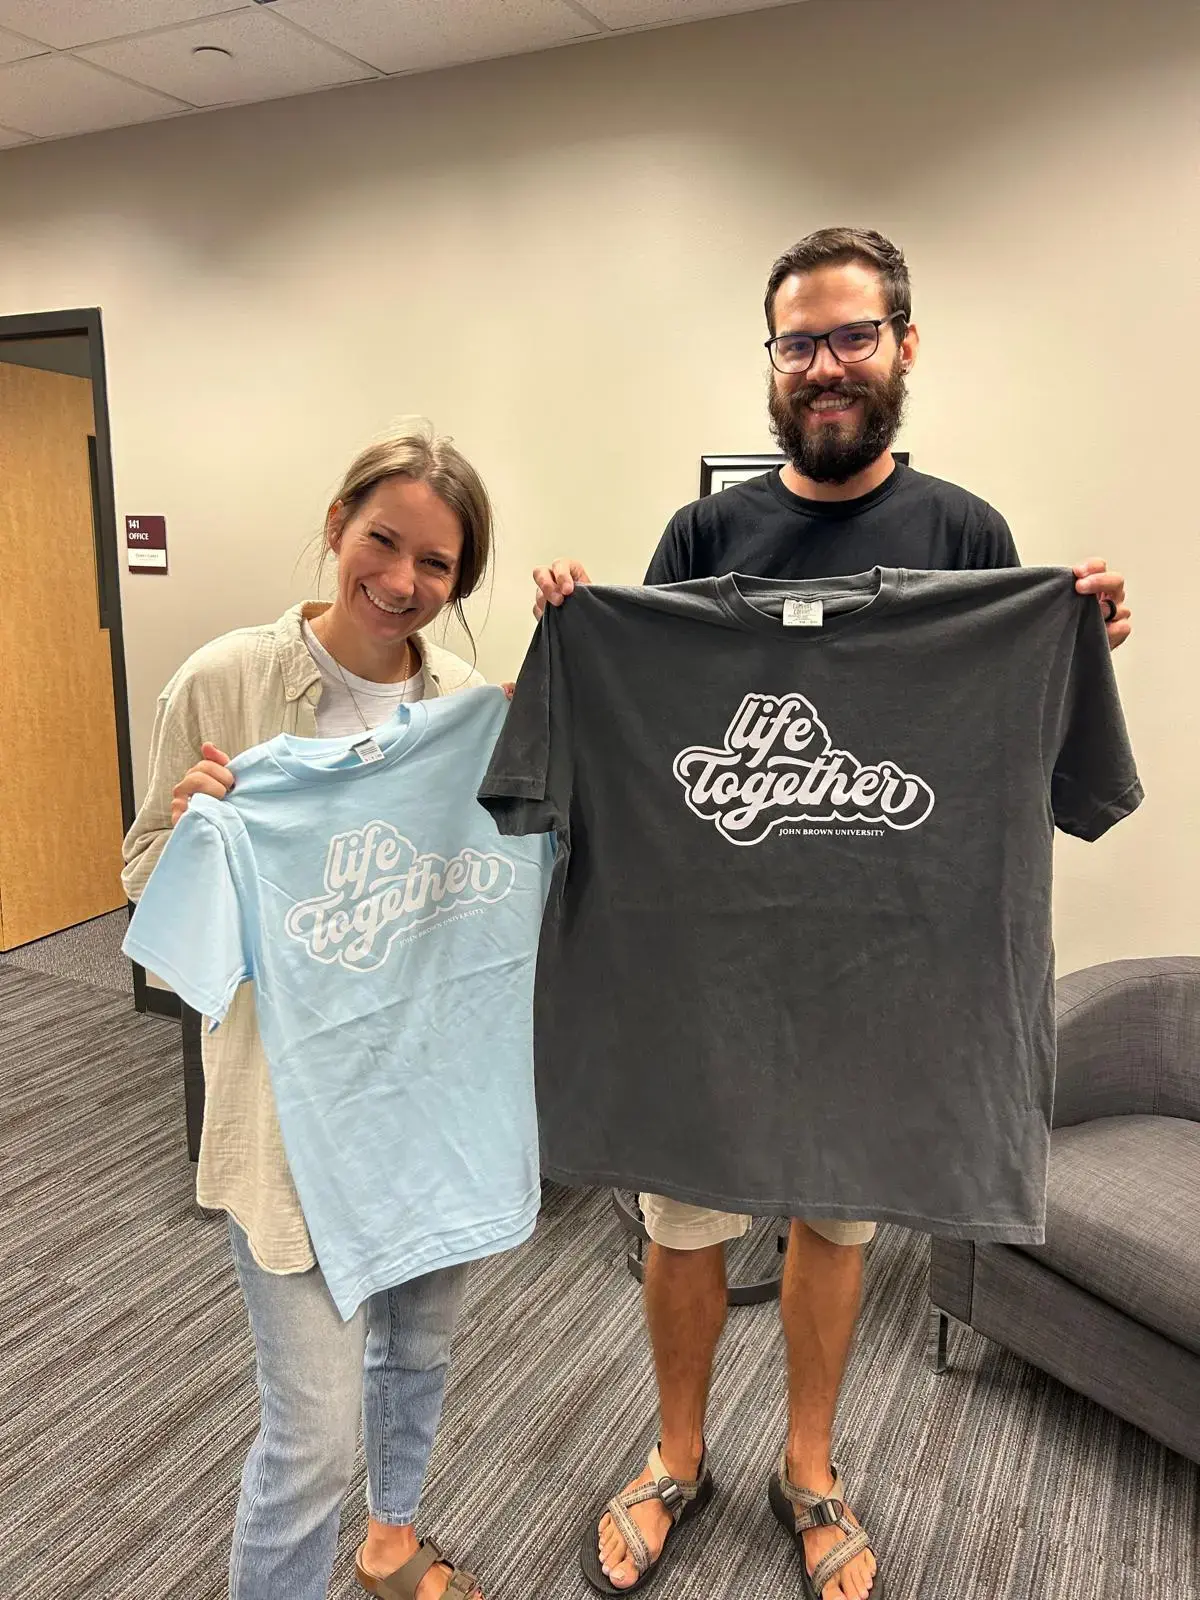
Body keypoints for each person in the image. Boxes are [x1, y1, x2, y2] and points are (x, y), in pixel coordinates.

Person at [532, 227, 1132, 1600]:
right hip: (710, 961)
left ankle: (814, 1469)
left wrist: (1071, 647)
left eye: (852, 336)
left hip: (886, 965)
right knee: (683, 1220)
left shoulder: (968, 534)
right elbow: (639, 730)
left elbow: (1007, 752)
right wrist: (577, 625)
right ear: (773, 364)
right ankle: (674, 1456)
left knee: (839, 1222)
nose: (825, 366)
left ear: (905, 349)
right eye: (799, 342)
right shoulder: (703, 535)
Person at [122, 427, 499, 1600]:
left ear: (459, 583)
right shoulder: (225, 680)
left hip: (426, 1103)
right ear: (337, 524)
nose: (400, 580)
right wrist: (190, 834)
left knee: (419, 1354)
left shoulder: (470, 712)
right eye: (382, 540)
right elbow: (142, 876)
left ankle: (392, 1543)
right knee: (310, 1439)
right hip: (289, 1119)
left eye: (435, 565)